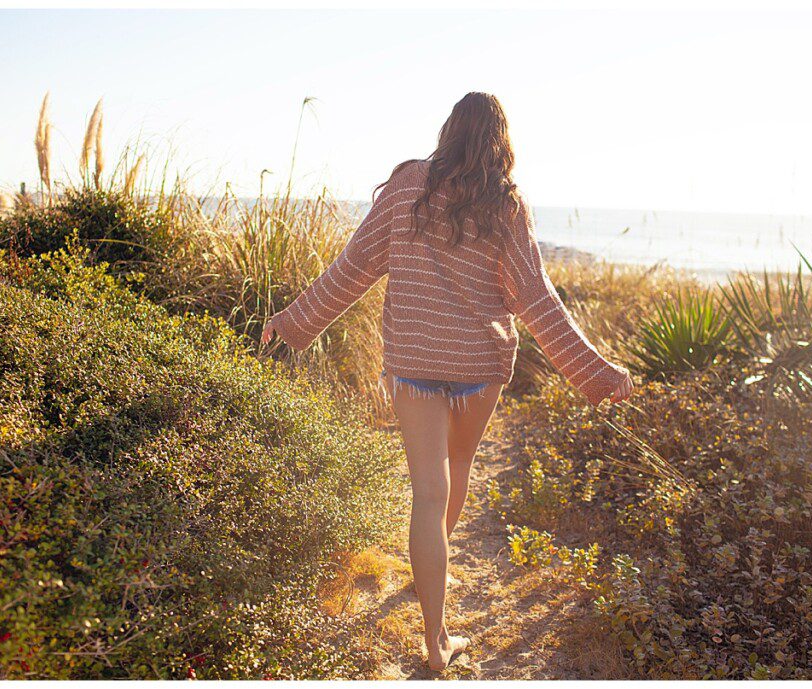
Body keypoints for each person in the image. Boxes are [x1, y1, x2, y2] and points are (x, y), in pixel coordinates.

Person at [261, 91, 634, 672]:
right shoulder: (505, 205)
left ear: (448, 130)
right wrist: (597, 374)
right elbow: (536, 300)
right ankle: (433, 579)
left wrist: (292, 321)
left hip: (414, 367)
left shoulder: (408, 186)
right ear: (501, 143)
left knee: (427, 496)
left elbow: (353, 268)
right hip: (478, 368)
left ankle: (433, 635)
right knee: (456, 472)